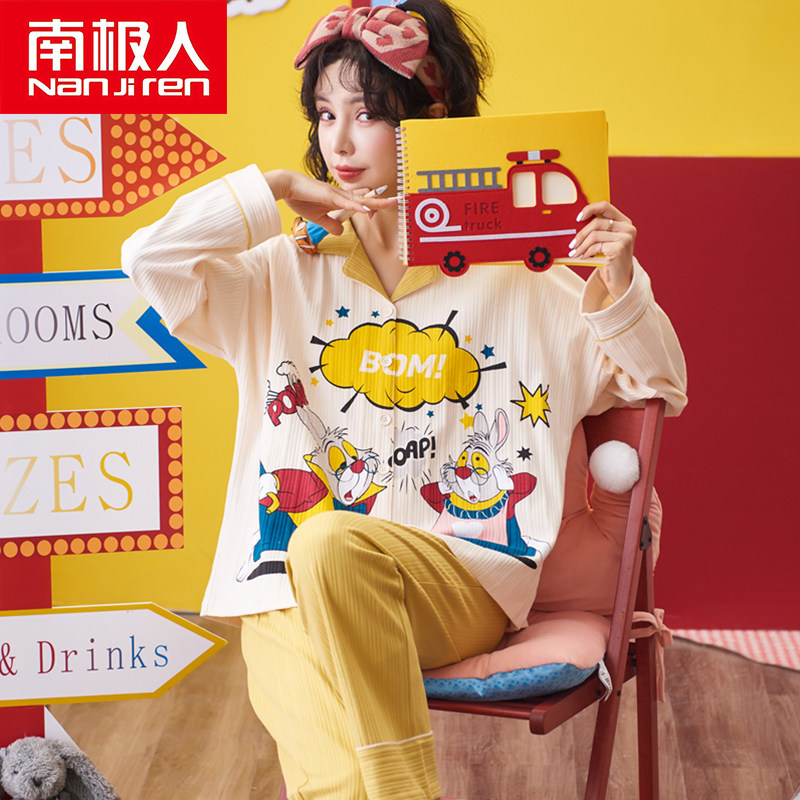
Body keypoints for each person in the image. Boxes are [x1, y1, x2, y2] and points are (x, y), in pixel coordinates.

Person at [121, 3, 687, 798]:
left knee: (324, 543)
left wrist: (619, 277)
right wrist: (273, 188)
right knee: (294, 608)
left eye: (367, 114)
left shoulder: (521, 278)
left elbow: (659, 383)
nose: (339, 142)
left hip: (456, 583)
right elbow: (149, 259)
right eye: (325, 115)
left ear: (432, 116)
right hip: (287, 586)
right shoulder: (285, 271)